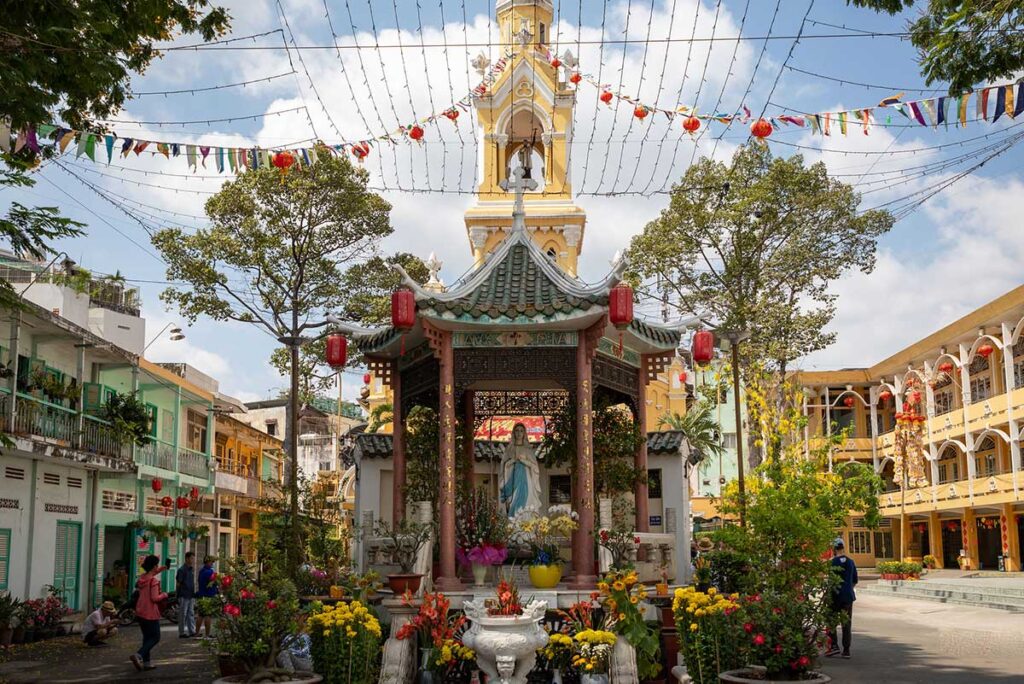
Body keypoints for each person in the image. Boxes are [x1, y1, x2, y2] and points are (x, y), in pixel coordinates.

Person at [130, 555, 168, 671]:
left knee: (147, 637)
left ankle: (147, 662)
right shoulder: (153, 581)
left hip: (140, 611)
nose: (157, 567)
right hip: (150, 612)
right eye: (156, 565)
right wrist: (164, 595)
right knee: (156, 637)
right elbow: (155, 598)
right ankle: (139, 655)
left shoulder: (142, 578)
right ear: (153, 567)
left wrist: (162, 568)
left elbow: (151, 575)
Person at [499, 422, 542, 518]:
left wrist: (524, 461)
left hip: (526, 481)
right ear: (513, 433)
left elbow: (535, 467)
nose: (519, 433)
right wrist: (513, 461)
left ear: (524, 433)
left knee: (527, 505)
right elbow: (504, 466)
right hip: (512, 481)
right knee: (513, 503)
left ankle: (527, 530)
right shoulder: (509, 450)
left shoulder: (528, 450)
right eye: (517, 431)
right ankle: (514, 530)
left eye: (521, 431)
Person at [826, 537, 858, 659]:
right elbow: (855, 580)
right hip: (848, 597)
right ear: (843, 547)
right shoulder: (851, 562)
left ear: (834, 549)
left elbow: (831, 581)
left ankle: (834, 646)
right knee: (846, 623)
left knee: (831, 621)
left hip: (835, 596)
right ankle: (846, 650)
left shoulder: (832, 562)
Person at [196, 556, 219, 639]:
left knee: (200, 615)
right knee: (208, 615)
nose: (212, 563)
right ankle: (207, 635)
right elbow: (214, 583)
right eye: (211, 562)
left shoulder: (201, 571)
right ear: (207, 562)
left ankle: (197, 633)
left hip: (201, 595)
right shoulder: (209, 572)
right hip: (208, 596)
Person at [176, 551, 197, 638]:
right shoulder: (181, 570)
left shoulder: (191, 569)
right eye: (191, 558)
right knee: (183, 614)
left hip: (191, 594)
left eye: (193, 558)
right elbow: (178, 583)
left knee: (191, 613)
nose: (193, 560)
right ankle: (182, 632)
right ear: (187, 558)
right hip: (184, 594)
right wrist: (178, 594)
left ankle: (192, 631)